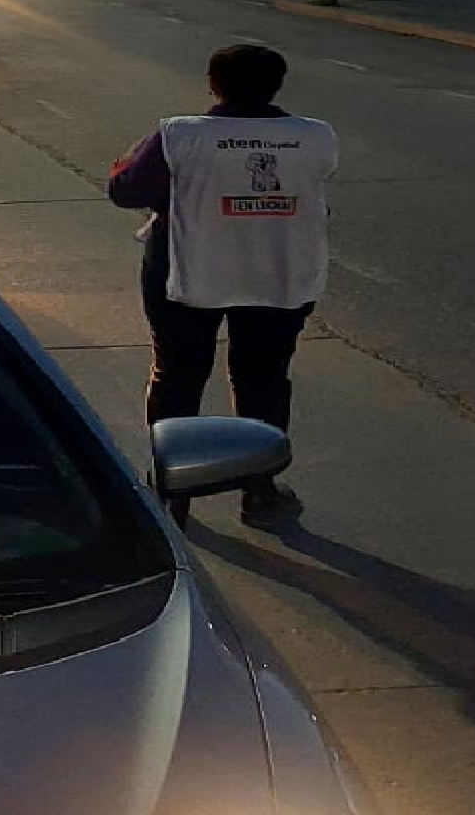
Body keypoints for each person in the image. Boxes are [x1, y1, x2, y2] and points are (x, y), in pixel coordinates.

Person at [107, 43, 337, 524]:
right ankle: (260, 487)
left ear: (213, 84)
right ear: (278, 86)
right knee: (263, 377)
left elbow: (126, 190)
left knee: (178, 374)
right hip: (280, 273)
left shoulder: (180, 135)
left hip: (186, 271)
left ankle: (175, 491)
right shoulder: (316, 136)